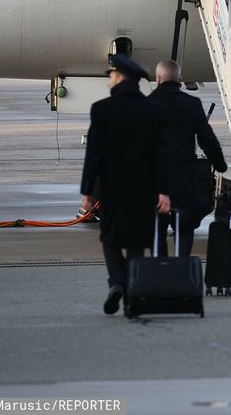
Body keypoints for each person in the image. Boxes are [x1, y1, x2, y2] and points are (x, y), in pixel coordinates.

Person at [79, 54, 171, 315]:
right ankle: (132, 298)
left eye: (110, 75)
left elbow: (93, 155)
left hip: (112, 189)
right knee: (135, 245)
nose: (109, 80)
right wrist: (164, 191)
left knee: (109, 239)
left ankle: (117, 282)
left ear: (119, 77)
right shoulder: (156, 111)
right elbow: (161, 156)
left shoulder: (101, 109)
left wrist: (87, 190)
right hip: (145, 190)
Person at [149, 60, 228, 257]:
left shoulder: (146, 105)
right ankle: (181, 268)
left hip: (154, 179)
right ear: (180, 79)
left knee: (156, 227)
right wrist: (220, 164)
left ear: (157, 79)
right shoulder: (191, 104)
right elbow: (206, 139)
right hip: (183, 177)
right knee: (185, 225)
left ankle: (160, 270)